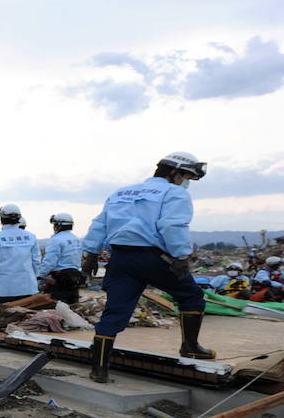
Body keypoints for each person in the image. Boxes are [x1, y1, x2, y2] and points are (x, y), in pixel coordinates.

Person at [81, 151, 212, 384]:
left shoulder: (120, 192)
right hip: (153, 257)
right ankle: (190, 347)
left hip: (120, 258)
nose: (186, 183)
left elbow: (99, 224)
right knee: (191, 296)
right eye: (186, 177)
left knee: (115, 311)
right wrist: (181, 256)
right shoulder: (173, 193)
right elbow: (172, 225)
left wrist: (90, 254)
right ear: (174, 173)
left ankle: (99, 369)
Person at [0, 204, 40, 303]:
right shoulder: (31, 237)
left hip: (4, 289)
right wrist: (34, 277)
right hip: (28, 287)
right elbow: (36, 261)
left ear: (1, 218)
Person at [39, 213, 83, 304]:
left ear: (58, 225)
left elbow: (50, 261)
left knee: (55, 306)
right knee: (72, 305)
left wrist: (39, 274)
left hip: (60, 278)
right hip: (75, 276)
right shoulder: (76, 239)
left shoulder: (56, 240)